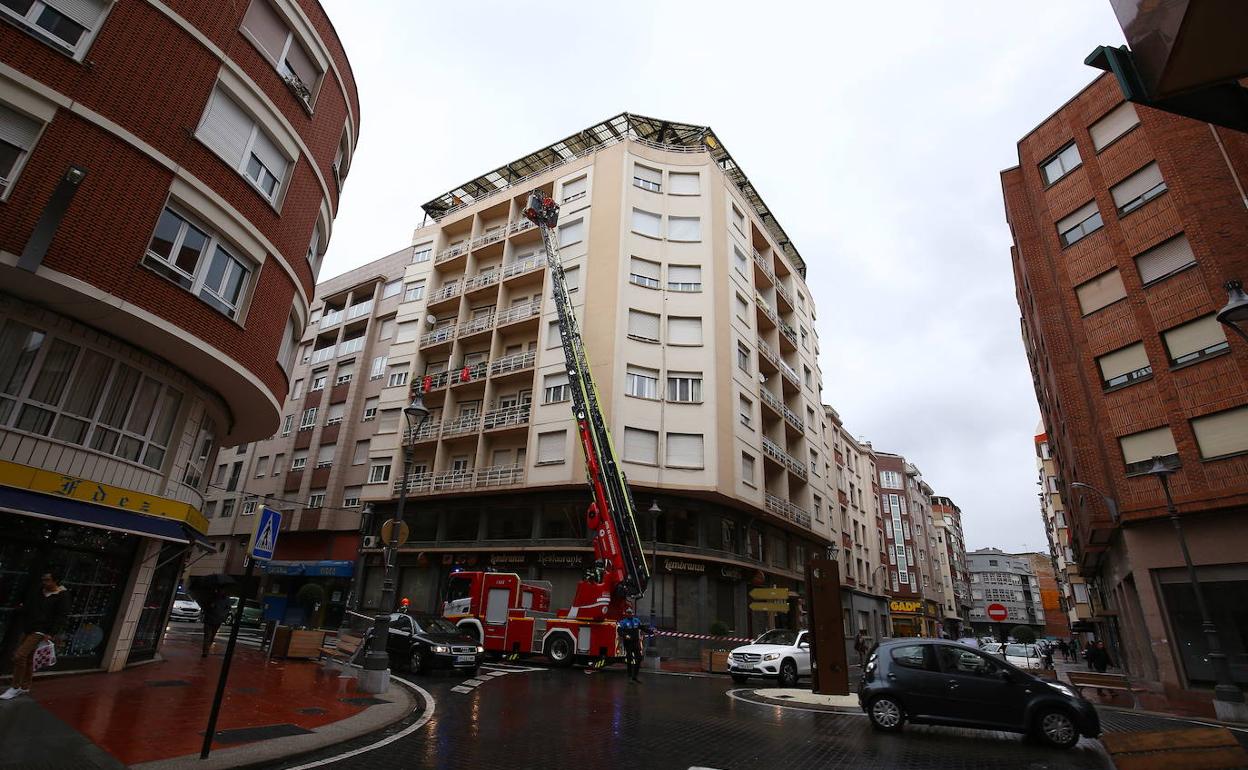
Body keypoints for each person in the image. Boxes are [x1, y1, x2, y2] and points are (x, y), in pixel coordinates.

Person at [2, 570, 70, 700]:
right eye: (43, 579)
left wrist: (51, 633)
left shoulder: (62, 596)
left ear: (55, 581)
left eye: (47, 580)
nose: (44, 582)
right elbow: (31, 605)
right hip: (29, 626)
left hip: (41, 630)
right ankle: (25, 686)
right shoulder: (40, 590)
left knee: (19, 655)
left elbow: (62, 616)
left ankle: (15, 687)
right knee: (27, 658)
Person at [201, 589, 232, 658]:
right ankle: (205, 651)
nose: (221, 592)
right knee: (207, 636)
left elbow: (228, 609)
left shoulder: (226, 599)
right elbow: (205, 606)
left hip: (218, 620)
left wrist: (223, 616)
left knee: (212, 636)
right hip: (209, 619)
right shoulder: (211, 597)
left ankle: (207, 648)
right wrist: (210, 606)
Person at [617, 606, 644, 683]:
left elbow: (642, 628)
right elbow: (619, 631)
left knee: (639, 658)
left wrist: (651, 631)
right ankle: (629, 676)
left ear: (633, 613)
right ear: (626, 614)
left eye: (631, 613)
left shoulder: (637, 621)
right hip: (628, 643)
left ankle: (635, 676)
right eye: (628, 613)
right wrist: (625, 635)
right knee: (629, 659)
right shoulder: (623, 622)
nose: (629, 614)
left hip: (636, 642)